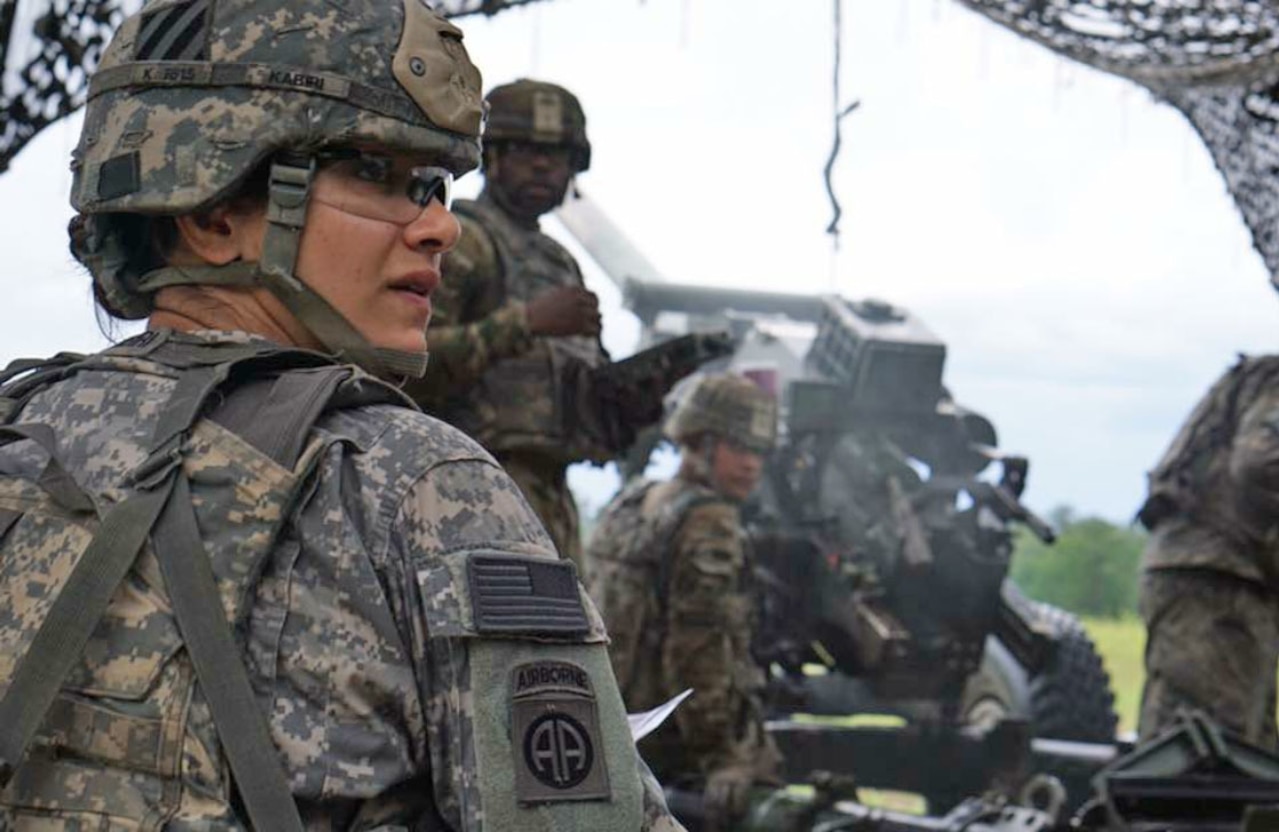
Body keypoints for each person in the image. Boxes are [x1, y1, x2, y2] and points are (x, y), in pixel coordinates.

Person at [0, 2, 682, 829]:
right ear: (214, 214)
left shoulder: (20, 432)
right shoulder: (421, 489)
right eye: (377, 176)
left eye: (435, 189)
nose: (439, 229)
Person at [403, 78, 607, 570]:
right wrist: (525, 324)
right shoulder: (465, 241)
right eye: (524, 151)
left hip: (548, 491)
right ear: (492, 158)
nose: (542, 165)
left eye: (555, 155)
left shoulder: (558, 261)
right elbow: (408, 363)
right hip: (469, 485)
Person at [585, 373, 784, 830]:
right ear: (699, 443)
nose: (751, 465)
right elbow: (698, 653)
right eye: (738, 447)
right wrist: (724, 761)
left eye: (759, 452)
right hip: (681, 754)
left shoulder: (631, 502)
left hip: (617, 737)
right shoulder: (710, 521)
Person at [1136, 354, 1279, 750]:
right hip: (1216, 582)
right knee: (1200, 758)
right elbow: (1261, 463)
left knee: (1245, 760)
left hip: (1232, 581)